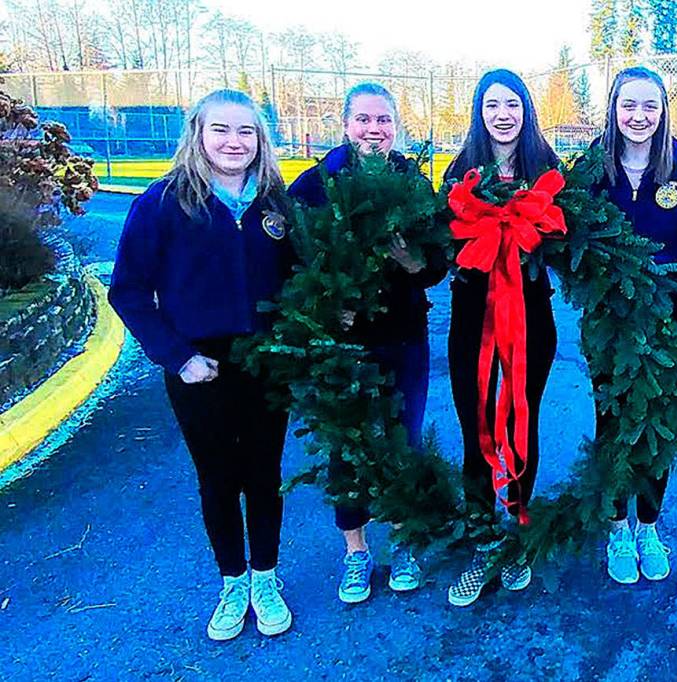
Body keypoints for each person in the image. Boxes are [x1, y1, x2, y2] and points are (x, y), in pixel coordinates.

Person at [108, 89, 295, 641]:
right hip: (199, 366)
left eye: (246, 132)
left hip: (266, 362)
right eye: (222, 130)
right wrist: (179, 357)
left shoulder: (275, 203)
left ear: (260, 139)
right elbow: (129, 292)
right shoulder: (163, 202)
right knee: (217, 478)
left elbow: (303, 278)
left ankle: (265, 577)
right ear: (198, 133)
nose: (234, 142)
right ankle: (232, 581)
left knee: (264, 475)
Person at [289, 82, 447, 605]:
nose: (373, 130)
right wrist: (329, 308)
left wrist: (411, 263)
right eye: (363, 119)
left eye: (383, 120)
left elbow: (437, 265)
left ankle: (405, 540)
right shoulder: (315, 186)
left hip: (403, 339)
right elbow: (291, 270)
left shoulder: (414, 184)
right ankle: (356, 551)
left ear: (396, 126)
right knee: (348, 447)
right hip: (342, 348)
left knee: (404, 440)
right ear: (346, 124)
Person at [590, 66, 677, 585]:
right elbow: (573, 237)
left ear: (664, 110)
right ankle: (616, 526)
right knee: (613, 424)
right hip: (609, 324)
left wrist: (652, 269)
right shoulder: (594, 169)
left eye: (650, 106)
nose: (639, 116)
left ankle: (647, 524)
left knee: (657, 426)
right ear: (613, 109)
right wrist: (612, 274)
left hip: (667, 321)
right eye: (629, 105)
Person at [443, 69, 561, 607]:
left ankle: (515, 529)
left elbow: (571, 239)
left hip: (533, 320)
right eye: (492, 105)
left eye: (512, 104)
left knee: (521, 418)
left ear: (526, 110)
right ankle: (480, 536)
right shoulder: (459, 171)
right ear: (479, 111)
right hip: (472, 322)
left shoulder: (548, 171)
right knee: (476, 425)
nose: (502, 114)